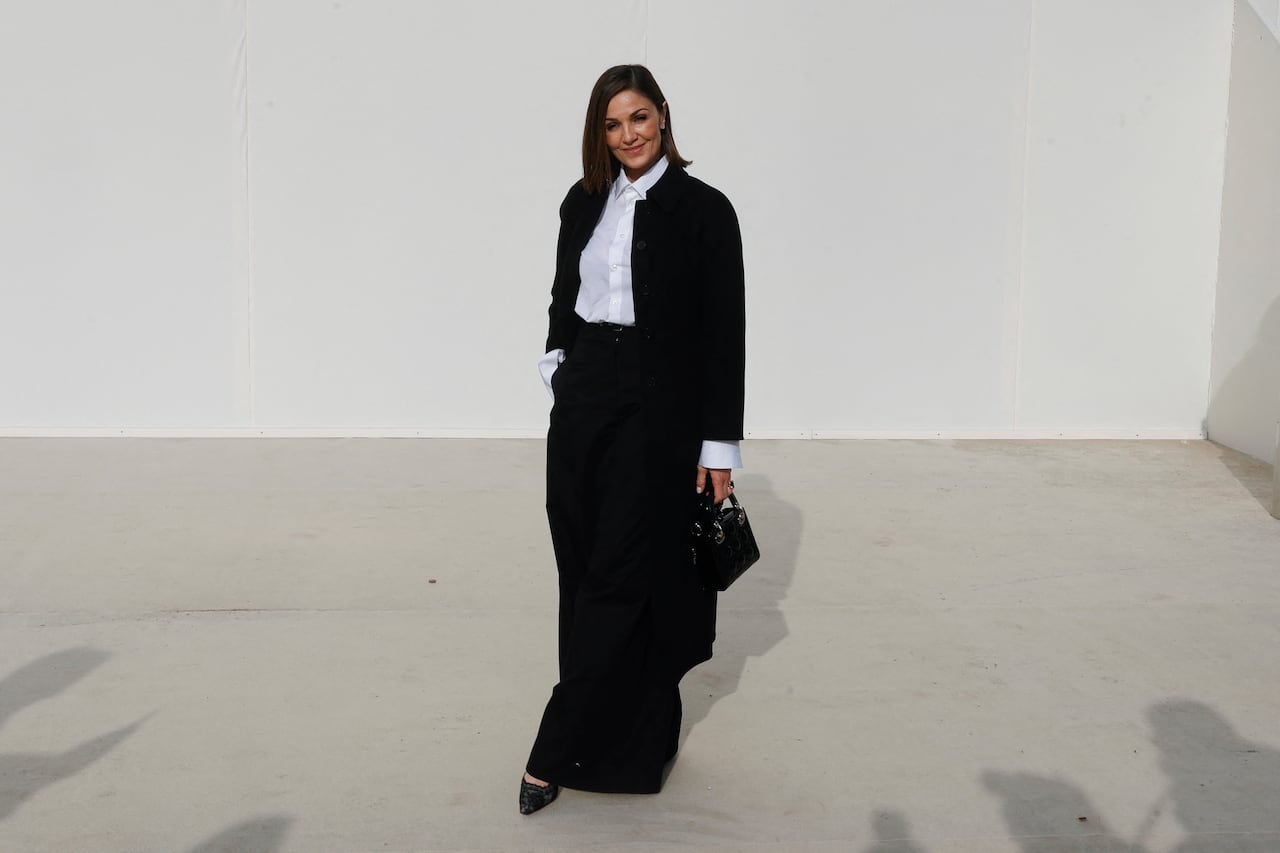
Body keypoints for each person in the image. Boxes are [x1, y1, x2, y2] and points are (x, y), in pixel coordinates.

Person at [520, 64, 746, 815]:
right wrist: (558, 364)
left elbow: (724, 332)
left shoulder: (705, 209)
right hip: (586, 393)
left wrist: (719, 444)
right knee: (582, 561)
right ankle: (612, 734)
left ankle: (554, 747)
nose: (628, 136)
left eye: (639, 118)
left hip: (660, 409)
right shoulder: (583, 200)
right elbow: (565, 291)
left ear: (663, 116)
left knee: (624, 570)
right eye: (613, 124)